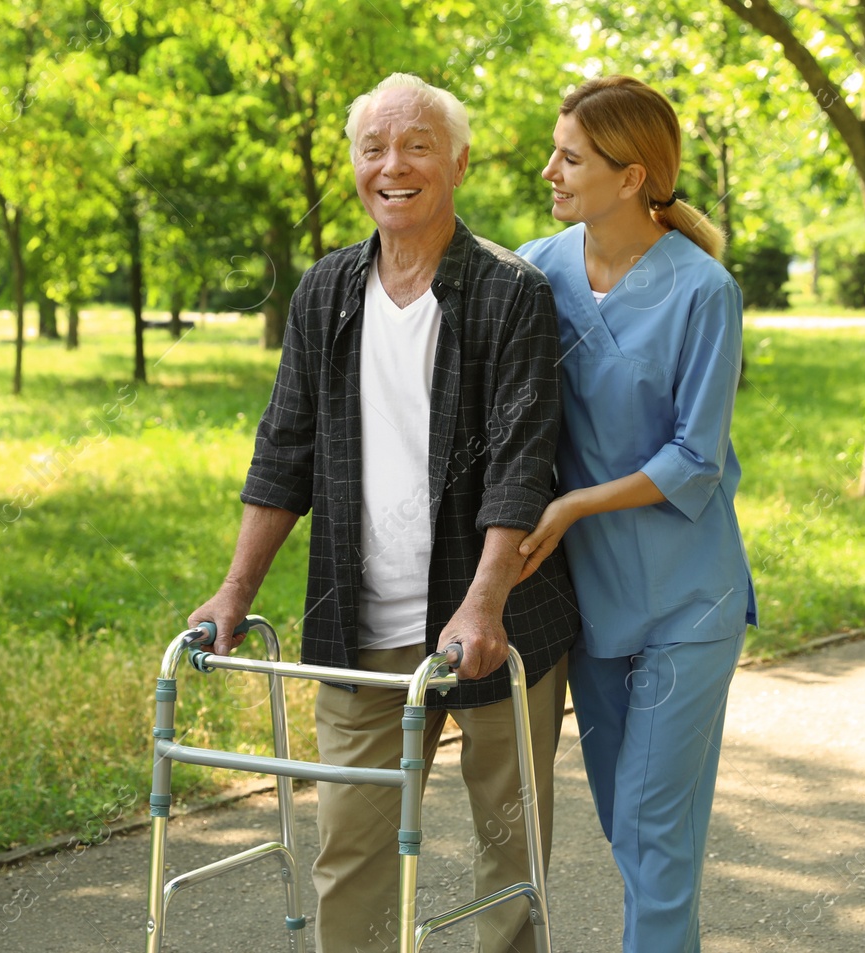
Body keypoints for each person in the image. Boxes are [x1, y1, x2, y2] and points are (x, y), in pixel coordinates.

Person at [188, 72, 579, 953]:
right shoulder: (326, 291)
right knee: (351, 847)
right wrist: (234, 590)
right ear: (356, 167)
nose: (393, 166)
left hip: (497, 618)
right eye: (375, 149)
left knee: (508, 854)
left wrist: (483, 604)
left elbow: (522, 463)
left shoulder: (510, 293)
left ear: (460, 162)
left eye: (417, 146)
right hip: (357, 622)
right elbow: (283, 448)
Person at [513, 75, 759, 953]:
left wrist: (577, 501)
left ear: (631, 176)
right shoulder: (536, 269)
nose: (550, 170)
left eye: (570, 157)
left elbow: (697, 458)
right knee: (636, 833)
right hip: (595, 607)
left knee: (653, 838)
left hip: (686, 602)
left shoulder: (704, 292)